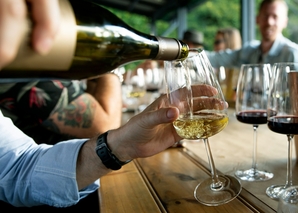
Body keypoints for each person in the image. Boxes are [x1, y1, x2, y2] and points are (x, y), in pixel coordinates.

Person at [0, 0, 223, 208]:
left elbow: (18, 169)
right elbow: (102, 123)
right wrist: (112, 63)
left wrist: (121, 145)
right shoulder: (32, 73)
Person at [206, 0, 298, 69]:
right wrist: (193, 52)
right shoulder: (249, 51)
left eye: (275, 16)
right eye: (265, 16)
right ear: (257, 19)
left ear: (285, 22)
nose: (269, 22)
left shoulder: (293, 54)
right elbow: (215, 59)